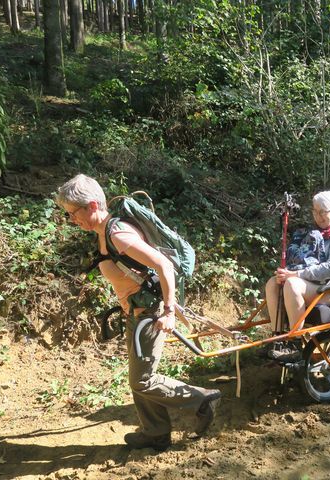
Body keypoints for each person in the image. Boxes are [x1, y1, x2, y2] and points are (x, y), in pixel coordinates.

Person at [56, 174, 221, 452]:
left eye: (73, 213)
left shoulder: (118, 234)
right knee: (139, 377)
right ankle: (155, 432)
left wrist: (169, 312)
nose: (72, 220)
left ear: (92, 206)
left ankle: (201, 399)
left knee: (142, 380)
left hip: (150, 315)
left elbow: (164, 266)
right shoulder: (104, 234)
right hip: (136, 314)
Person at [265, 191, 330, 361]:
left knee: (292, 284)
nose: (317, 216)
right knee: (272, 283)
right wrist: (286, 272)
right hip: (314, 284)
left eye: (322, 212)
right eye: (314, 211)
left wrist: (295, 274)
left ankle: (294, 343)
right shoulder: (313, 232)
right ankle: (278, 338)